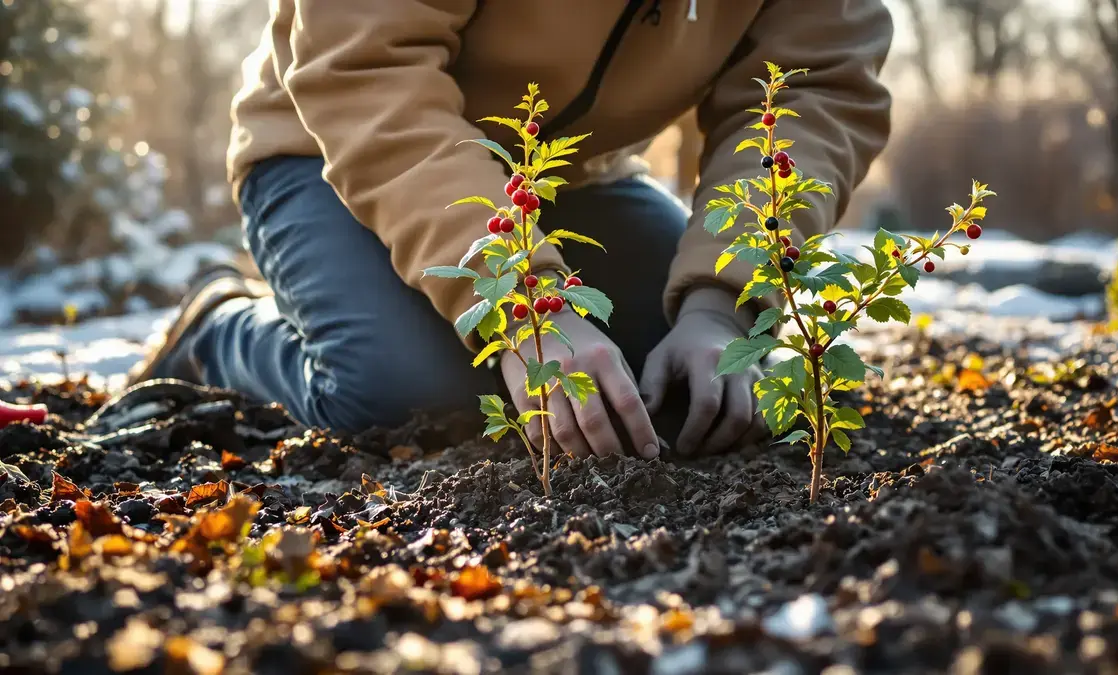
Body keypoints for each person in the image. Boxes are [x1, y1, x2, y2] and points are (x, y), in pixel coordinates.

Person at [128, 0, 893, 460]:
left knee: (667, 369)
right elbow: (362, 71)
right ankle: (217, 333)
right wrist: (526, 303)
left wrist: (723, 302)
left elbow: (813, 90)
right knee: (409, 390)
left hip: (574, 180)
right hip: (327, 150)